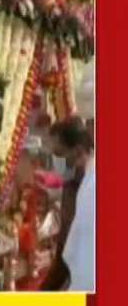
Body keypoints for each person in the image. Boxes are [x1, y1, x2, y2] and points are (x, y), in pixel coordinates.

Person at [42, 117, 91, 290]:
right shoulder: (74, 182)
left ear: (77, 151)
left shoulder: (89, 189)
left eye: (59, 154)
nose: (57, 160)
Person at [60, 124, 95, 291]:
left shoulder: (91, 183)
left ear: (78, 150)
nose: (65, 160)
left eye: (63, 153)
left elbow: (83, 240)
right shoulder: (89, 177)